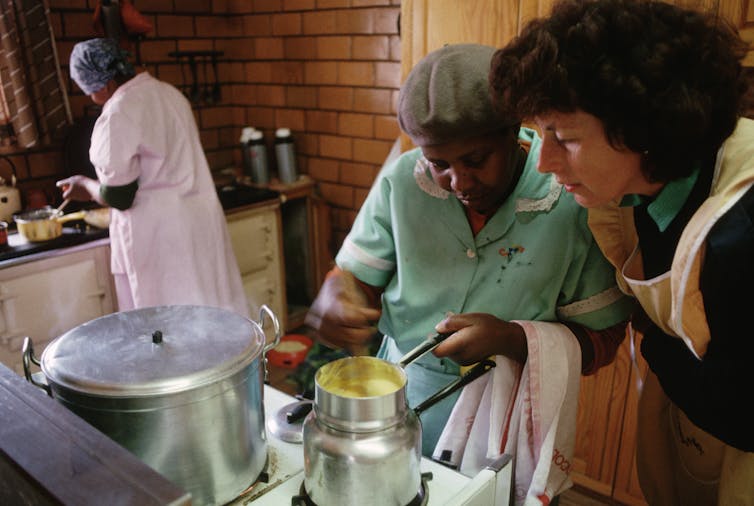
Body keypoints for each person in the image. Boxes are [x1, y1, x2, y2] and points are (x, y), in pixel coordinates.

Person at [305, 43, 634, 479]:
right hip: (401, 394)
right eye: (438, 163)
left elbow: (603, 340)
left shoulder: (568, 199)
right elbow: (354, 278)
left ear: (513, 131)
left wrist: (511, 338)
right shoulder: (403, 182)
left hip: (504, 415)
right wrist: (336, 292)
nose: (458, 181)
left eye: (476, 160)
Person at [489, 1, 754, 504]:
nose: (543, 162)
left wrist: (653, 339)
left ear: (644, 130)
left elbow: (744, 413)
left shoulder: (740, 231)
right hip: (691, 420)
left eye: (564, 138)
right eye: (541, 133)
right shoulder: (636, 187)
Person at [58, 38, 249, 318]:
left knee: (170, 324)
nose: (91, 97)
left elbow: (120, 196)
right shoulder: (169, 94)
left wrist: (84, 186)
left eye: (89, 90)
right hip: (199, 220)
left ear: (103, 84)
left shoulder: (118, 112)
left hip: (161, 236)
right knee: (210, 313)